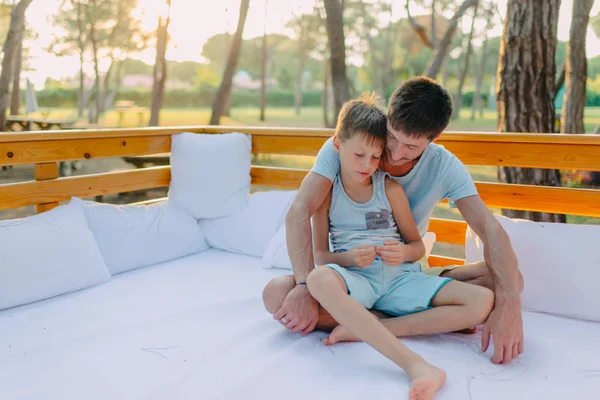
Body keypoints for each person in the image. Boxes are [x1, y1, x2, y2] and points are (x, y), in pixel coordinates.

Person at [263, 76, 524, 365]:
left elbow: (489, 229)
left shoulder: (444, 166)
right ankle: (425, 318)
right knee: (278, 294)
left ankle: (373, 326)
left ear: (434, 139)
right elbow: (300, 211)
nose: (396, 154)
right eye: (393, 138)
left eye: (411, 147)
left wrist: (510, 306)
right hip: (356, 277)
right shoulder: (349, 147)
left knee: (509, 280)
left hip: (404, 272)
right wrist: (302, 286)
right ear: (388, 118)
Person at [306, 93, 469, 400]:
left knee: (482, 300)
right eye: (359, 155)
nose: (368, 165)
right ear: (338, 145)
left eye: (376, 156)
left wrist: (405, 252)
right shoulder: (327, 193)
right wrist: (349, 259)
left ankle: (363, 326)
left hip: (398, 277)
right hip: (358, 280)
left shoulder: (389, 188)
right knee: (316, 279)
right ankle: (416, 365)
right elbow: (320, 256)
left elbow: (416, 245)